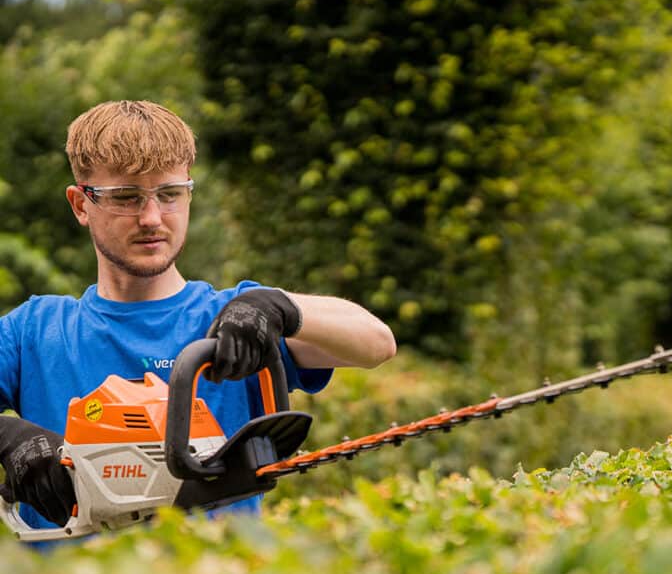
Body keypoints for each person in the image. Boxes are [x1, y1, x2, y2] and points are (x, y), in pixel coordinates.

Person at [0, 100, 396, 531]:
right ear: (81, 205)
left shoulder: (235, 318)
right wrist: (8, 439)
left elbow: (376, 343)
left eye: (169, 194)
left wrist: (279, 307)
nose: (151, 218)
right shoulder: (35, 332)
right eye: (127, 197)